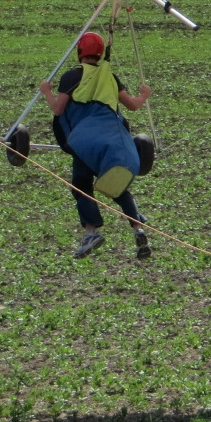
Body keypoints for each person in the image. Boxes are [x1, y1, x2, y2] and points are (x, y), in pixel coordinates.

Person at [39, 31, 153, 259]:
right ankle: (138, 229)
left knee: (81, 184)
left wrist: (47, 92)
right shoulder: (110, 77)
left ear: (80, 52)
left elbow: (58, 110)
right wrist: (144, 95)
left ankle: (91, 232)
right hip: (112, 136)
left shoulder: (72, 76)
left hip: (85, 139)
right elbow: (131, 106)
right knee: (116, 185)